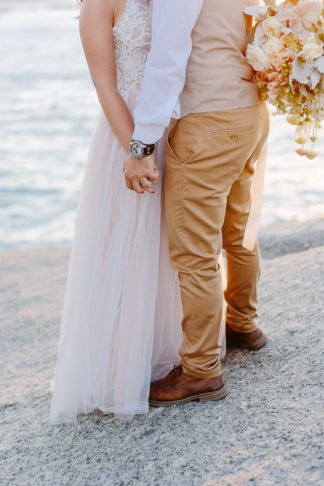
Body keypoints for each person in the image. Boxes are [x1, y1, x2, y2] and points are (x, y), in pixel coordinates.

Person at [50, 0, 226, 423]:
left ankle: (174, 352)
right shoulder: (98, 3)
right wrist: (138, 150)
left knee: (171, 244)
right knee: (126, 246)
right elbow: (106, 87)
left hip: (172, 128)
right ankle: (121, 368)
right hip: (127, 136)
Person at [124, 0, 270, 407]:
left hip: (208, 120)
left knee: (195, 253)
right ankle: (243, 324)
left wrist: (142, 141)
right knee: (238, 230)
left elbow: (167, 58)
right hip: (252, 111)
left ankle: (200, 371)